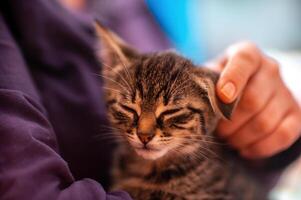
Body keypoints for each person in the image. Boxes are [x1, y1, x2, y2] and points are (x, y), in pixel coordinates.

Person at [0, 0, 300, 200]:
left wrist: (265, 136)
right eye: (129, 109)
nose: (143, 132)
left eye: (169, 114)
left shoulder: (151, 7)